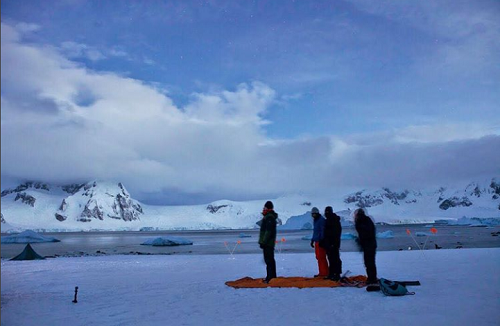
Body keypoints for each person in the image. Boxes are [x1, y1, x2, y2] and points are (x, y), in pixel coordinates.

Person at [354, 208, 378, 285]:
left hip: (369, 245)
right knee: (369, 262)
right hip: (369, 244)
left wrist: (361, 240)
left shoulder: (361, 222)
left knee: (369, 262)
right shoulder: (366, 220)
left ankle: (372, 279)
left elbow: (366, 233)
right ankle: (372, 278)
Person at [258, 201, 278, 283]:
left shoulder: (269, 218)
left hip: (268, 243)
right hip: (268, 243)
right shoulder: (268, 217)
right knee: (269, 260)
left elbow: (268, 232)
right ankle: (270, 276)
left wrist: (263, 242)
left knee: (269, 260)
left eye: (265, 207)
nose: (263, 209)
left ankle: (271, 277)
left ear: (268, 208)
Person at [323, 206, 342, 281]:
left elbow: (336, 233)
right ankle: (331, 274)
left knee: (335, 258)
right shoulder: (328, 220)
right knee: (331, 259)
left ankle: (337, 274)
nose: (326, 213)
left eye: (327, 212)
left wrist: (334, 243)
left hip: (334, 243)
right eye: (326, 212)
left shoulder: (334, 220)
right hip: (329, 244)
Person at [310, 207, 328, 277]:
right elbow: (315, 232)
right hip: (317, 241)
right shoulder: (316, 220)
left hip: (320, 241)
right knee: (318, 257)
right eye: (313, 214)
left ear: (317, 213)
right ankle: (321, 272)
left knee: (321, 257)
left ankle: (325, 273)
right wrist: (312, 240)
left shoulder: (321, 220)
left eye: (314, 214)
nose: (313, 215)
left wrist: (322, 240)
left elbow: (322, 231)